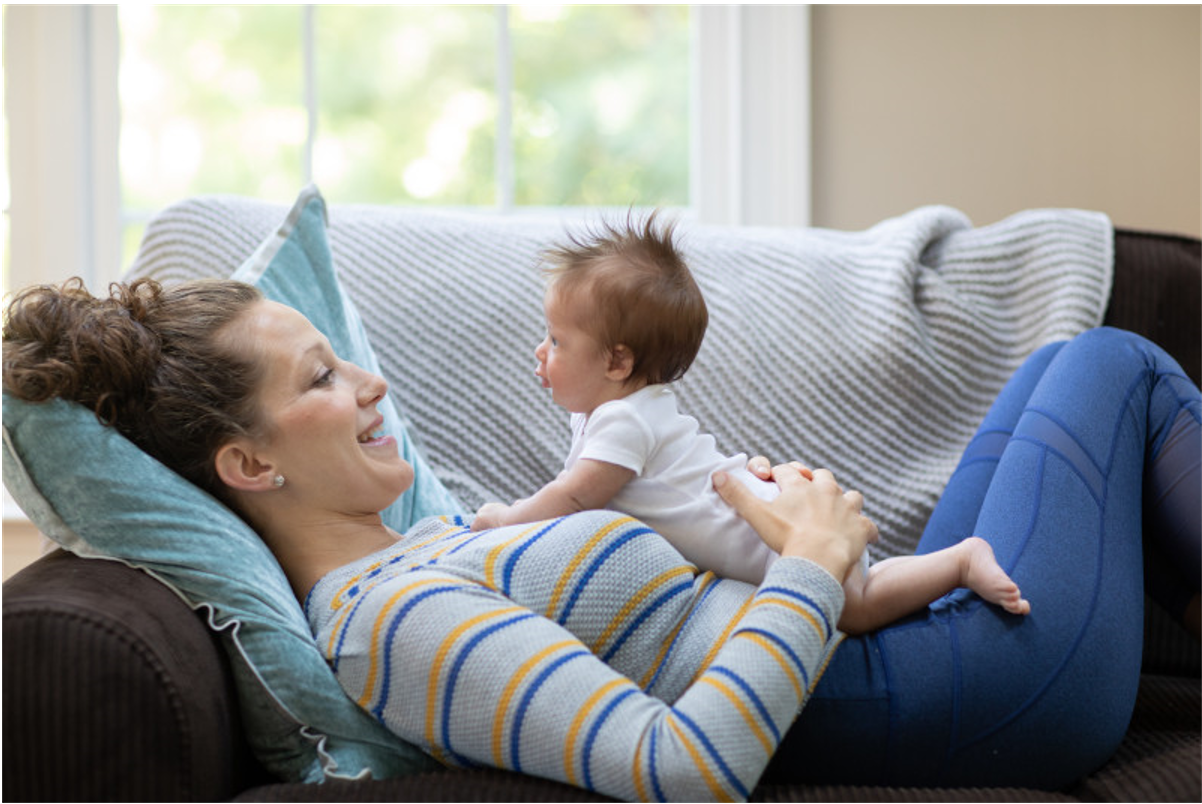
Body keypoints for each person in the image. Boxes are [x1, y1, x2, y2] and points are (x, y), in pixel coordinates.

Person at [3, 275, 1198, 797]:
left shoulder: (428, 542)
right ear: (251, 463)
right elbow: (679, 770)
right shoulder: (387, 628)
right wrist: (807, 563)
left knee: (1056, 359)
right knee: (1112, 366)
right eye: (323, 375)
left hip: (927, 645)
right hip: (969, 693)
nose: (371, 384)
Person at [470, 213, 1030, 633]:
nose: (540, 352)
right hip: (773, 518)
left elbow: (572, 501)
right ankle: (951, 561)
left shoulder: (621, 421)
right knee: (866, 587)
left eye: (557, 341)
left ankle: (958, 562)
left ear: (618, 362)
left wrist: (506, 520)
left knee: (855, 609)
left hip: (774, 538)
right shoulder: (622, 411)